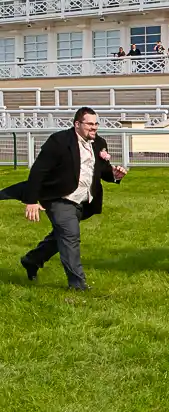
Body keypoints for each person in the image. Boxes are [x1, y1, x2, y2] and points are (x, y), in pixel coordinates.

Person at [0, 107, 127, 290]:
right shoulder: (59, 141)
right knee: (70, 236)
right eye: (89, 124)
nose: (94, 128)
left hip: (82, 201)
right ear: (77, 124)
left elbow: (101, 171)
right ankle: (77, 285)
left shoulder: (98, 143)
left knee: (61, 237)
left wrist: (115, 175)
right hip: (58, 197)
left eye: (96, 123)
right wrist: (31, 201)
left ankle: (32, 260)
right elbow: (38, 171)